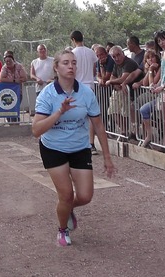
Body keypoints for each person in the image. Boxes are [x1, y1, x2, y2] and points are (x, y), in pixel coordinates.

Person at [31, 49, 115, 246]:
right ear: (56, 67)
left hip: (79, 147)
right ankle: (62, 229)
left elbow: (98, 125)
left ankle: (66, 207)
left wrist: (107, 158)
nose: (71, 66)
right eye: (66, 63)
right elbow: (36, 130)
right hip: (53, 148)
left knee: (85, 196)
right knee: (66, 194)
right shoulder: (48, 94)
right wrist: (59, 112)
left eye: (74, 63)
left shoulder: (86, 93)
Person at [139, 30, 165, 148]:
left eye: (163, 39)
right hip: (164, 90)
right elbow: (164, 75)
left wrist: (162, 86)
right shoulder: (162, 54)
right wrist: (157, 85)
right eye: (159, 41)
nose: (162, 42)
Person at [105, 46, 143, 141]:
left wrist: (112, 82)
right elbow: (112, 77)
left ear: (123, 53)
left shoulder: (129, 62)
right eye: (114, 56)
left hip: (131, 93)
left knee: (125, 113)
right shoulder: (115, 64)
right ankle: (124, 131)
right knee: (112, 111)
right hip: (119, 91)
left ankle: (132, 133)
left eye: (118, 55)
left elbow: (123, 78)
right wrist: (114, 83)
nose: (117, 58)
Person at [70, 30, 99, 154]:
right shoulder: (91, 52)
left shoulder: (72, 53)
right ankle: (91, 143)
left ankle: (78, 142)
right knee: (91, 116)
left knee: (77, 115)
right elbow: (94, 70)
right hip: (90, 86)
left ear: (73, 40)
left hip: (78, 86)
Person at [0, 50, 27, 123]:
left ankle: (16, 124)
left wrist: (18, 80)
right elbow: (1, 79)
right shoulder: (4, 68)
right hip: (7, 93)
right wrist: (14, 81)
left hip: (18, 92)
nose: (8, 63)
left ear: (13, 59)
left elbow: (25, 78)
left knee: (15, 108)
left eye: (9, 61)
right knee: (7, 108)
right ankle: (11, 124)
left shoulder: (19, 66)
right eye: (6, 61)